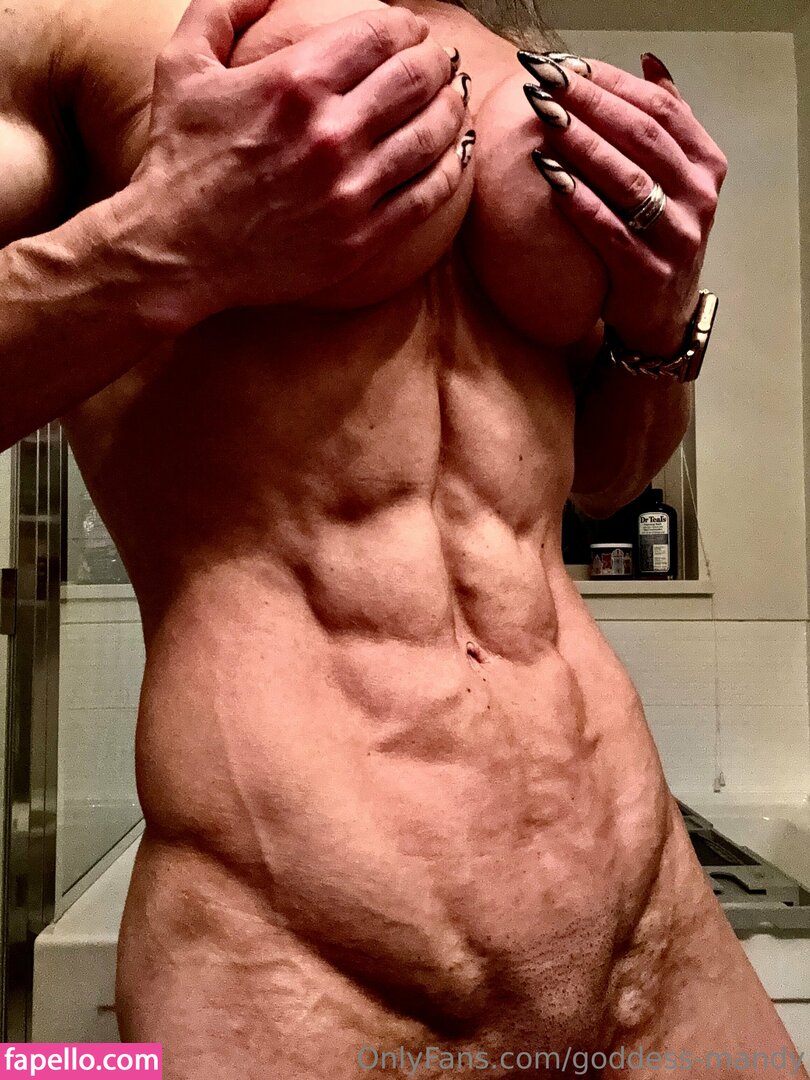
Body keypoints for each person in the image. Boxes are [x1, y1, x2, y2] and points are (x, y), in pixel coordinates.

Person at [1, 0, 801, 1076]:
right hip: (307, 975)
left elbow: (606, 483)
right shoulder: (75, 24)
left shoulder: (525, 63)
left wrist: (659, 324)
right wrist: (166, 240)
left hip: (655, 943)